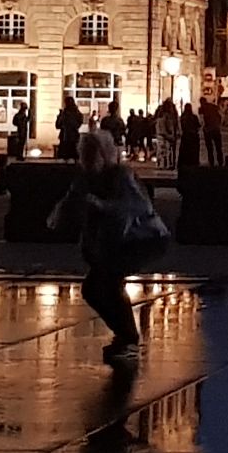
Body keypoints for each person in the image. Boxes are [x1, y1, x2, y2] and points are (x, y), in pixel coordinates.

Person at [51, 128, 169, 365]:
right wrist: (58, 216)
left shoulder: (121, 176)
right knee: (93, 289)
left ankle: (129, 339)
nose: (86, 161)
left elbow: (135, 207)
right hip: (115, 243)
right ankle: (124, 336)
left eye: (91, 155)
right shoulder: (85, 179)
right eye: (84, 155)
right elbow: (71, 200)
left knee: (109, 282)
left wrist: (102, 206)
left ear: (104, 155)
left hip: (143, 239)